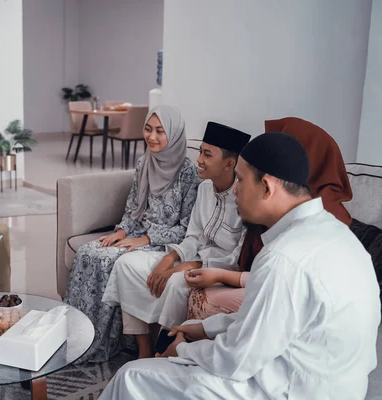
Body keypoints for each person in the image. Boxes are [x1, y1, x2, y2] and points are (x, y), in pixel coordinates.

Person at [100, 132, 380, 399]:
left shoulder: (284, 258)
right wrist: (205, 328)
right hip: (333, 383)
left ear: (267, 187)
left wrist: (183, 350)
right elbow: (266, 321)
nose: (235, 192)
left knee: (132, 376)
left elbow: (236, 360)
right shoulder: (336, 234)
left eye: (242, 181)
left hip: (292, 389)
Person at [64, 105, 201, 363]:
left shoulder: (188, 173)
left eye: (160, 131)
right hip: (138, 233)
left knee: (108, 261)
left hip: (166, 244)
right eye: (148, 129)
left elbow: (186, 228)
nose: (152, 137)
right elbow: (133, 208)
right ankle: (77, 336)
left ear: (174, 133)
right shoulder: (144, 162)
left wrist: (145, 240)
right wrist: (123, 230)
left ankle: (105, 342)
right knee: (89, 252)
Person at [102, 121, 251, 358]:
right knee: (127, 265)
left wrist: (187, 266)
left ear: (229, 164)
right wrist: (170, 258)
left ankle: (163, 353)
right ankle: (143, 349)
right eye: (200, 151)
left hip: (216, 270)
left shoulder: (245, 199)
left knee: (176, 283)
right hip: (191, 256)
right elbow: (193, 237)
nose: (199, 159)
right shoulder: (204, 190)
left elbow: (236, 258)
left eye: (207, 154)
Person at [186, 117, 354, 320]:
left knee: (201, 299)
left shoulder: (322, 226)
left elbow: (275, 291)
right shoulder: (274, 205)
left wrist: (220, 274)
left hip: (284, 312)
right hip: (257, 291)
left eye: (284, 151)